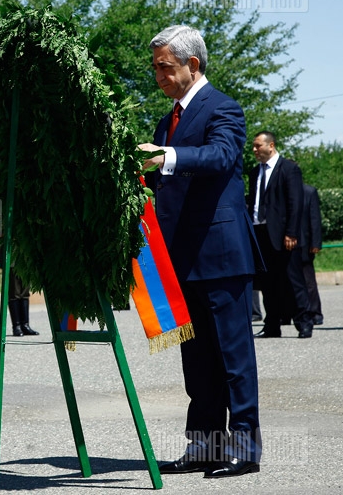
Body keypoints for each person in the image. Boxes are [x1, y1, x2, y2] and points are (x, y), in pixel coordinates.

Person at [139, 25, 261, 478]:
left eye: (165, 67)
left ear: (192, 64)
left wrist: (167, 156)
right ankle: (206, 446)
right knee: (198, 363)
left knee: (234, 359)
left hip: (223, 257)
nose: (159, 76)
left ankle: (246, 450)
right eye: (154, 69)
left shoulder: (222, 108)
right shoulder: (166, 119)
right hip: (181, 261)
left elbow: (220, 156)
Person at [248, 132, 312, 338]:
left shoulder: (289, 169)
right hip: (261, 232)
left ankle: (304, 322)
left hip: (284, 235)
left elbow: (296, 203)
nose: (255, 150)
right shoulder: (254, 172)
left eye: (258, 146)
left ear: (271, 145)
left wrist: (292, 232)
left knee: (293, 279)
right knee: (268, 282)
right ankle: (272, 325)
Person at [299, 183, 323, 325]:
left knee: (308, 281)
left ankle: (315, 313)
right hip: (287, 244)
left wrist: (315, 243)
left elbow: (315, 218)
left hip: (305, 243)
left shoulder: (309, 191)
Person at [7, 269, 37, 336]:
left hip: (25, 261)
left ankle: (25, 325)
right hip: (12, 262)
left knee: (25, 292)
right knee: (14, 292)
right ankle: (16, 326)